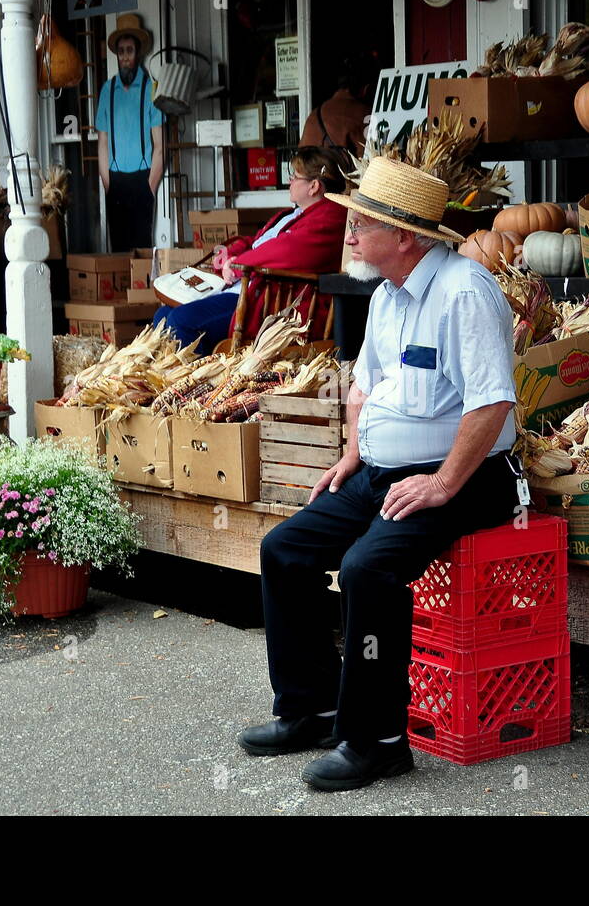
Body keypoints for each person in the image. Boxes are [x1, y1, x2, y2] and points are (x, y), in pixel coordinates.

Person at [237, 157, 521, 791]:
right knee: (285, 549)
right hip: (384, 471)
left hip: (467, 476)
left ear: (407, 237)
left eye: (364, 223)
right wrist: (350, 455)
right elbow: (363, 386)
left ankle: (379, 740)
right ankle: (311, 707)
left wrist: (443, 484)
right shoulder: (388, 294)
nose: (351, 233)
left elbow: (492, 401)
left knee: (369, 568)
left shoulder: (465, 292)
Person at [151, 146, 347, 354]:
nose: (289, 182)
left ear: (313, 186)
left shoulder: (331, 216)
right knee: (162, 316)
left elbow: (286, 250)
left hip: (267, 303)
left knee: (181, 321)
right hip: (247, 290)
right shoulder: (294, 213)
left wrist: (238, 264)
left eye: (294, 177)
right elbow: (257, 241)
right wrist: (232, 253)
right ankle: (173, 379)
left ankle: (199, 381)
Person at [96, 13, 165, 252]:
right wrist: (107, 182)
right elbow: (102, 141)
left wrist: (151, 184)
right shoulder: (108, 90)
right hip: (115, 180)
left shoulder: (150, 88)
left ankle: (142, 289)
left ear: (138, 53)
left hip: (142, 178)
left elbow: (159, 144)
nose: (125, 57)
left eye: (130, 50)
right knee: (118, 248)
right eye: (121, 51)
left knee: (142, 248)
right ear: (117, 54)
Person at [299, 55, 375, 158]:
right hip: (337, 174)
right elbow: (370, 159)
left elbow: (300, 159)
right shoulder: (364, 115)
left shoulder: (314, 115)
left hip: (309, 173)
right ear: (366, 89)